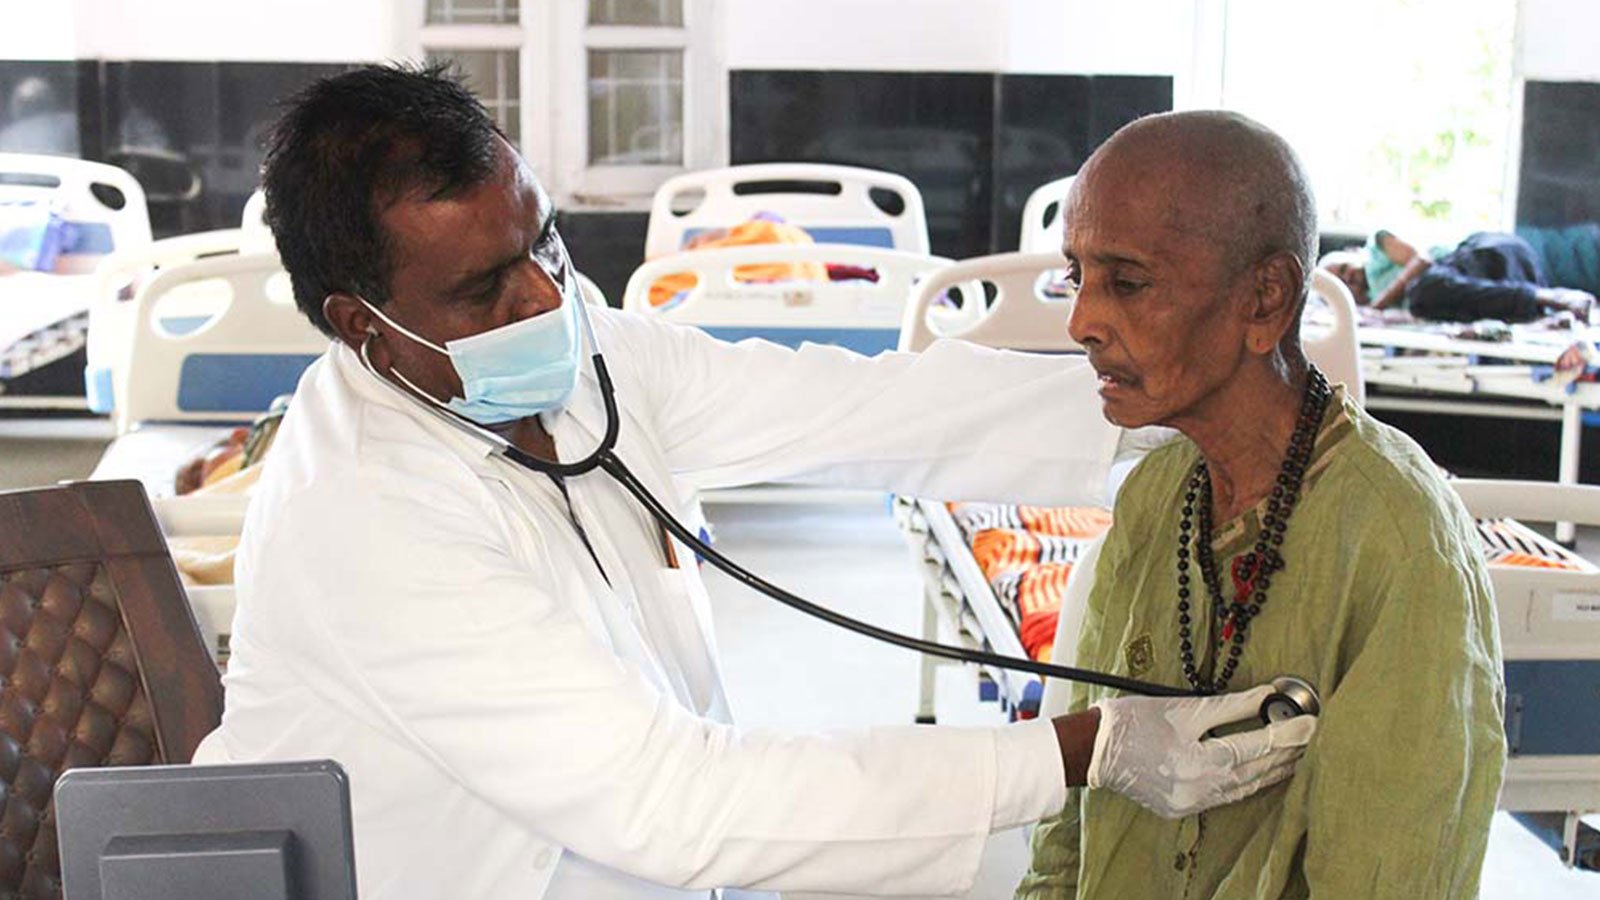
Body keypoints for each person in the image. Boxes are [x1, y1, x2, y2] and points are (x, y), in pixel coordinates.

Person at [191, 65, 1316, 900]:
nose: (543, 298)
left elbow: (855, 407)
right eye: (484, 288)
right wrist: (1083, 750)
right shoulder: (367, 519)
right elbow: (670, 799)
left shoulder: (589, 356)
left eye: (545, 244)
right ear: (363, 325)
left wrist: (1155, 401)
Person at [1018, 111, 1506, 899]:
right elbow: (1069, 832)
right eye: (1077, 277)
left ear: (1264, 299)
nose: (1082, 323)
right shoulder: (1159, 490)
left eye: (1128, 283)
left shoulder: (1397, 543)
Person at [1323, 228, 1595, 323]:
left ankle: (1550, 297)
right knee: (1436, 305)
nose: (1350, 278)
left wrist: (1379, 305)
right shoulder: (1369, 307)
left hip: (1492, 253)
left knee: (1424, 291)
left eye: (1345, 269)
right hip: (1510, 280)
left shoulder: (1377, 247)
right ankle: (1546, 303)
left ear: (1353, 252)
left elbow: (1423, 260)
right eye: (1342, 283)